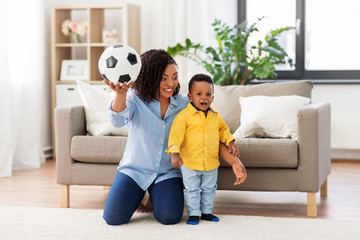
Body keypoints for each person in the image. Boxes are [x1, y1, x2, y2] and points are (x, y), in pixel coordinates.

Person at [103, 49, 245, 225]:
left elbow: (209, 135)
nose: (171, 83)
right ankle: (137, 193)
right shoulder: (134, 99)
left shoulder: (186, 104)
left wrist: (234, 161)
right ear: (151, 77)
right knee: (113, 218)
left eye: (175, 76)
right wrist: (120, 94)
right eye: (164, 78)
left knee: (170, 217)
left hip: (167, 173)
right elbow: (117, 121)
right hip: (135, 170)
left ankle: (153, 196)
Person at [166, 73, 247, 225]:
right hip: (190, 162)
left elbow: (223, 130)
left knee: (210, 188)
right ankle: (194, 214)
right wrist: (175, 154)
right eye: (199, 94)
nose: (204, 98)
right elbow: (175, 136)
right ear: (190, 97)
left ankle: (207, 212)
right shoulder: (183, 116)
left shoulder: (215, 116)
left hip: (210, 162)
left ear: (213, 97)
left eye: (208, 94)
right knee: (192, 190)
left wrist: (230, 142)